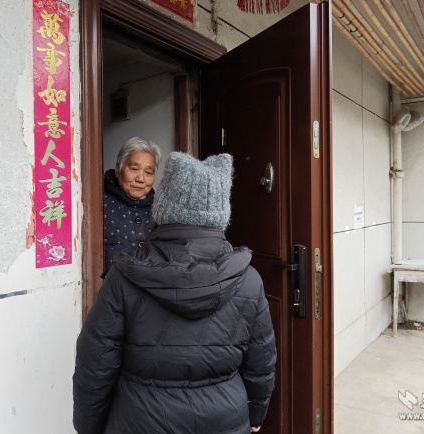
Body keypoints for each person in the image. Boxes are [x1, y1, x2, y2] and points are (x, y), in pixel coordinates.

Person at [73, 152, 277, 434]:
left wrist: (89, 426)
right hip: (224, 420)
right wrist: (256, 414)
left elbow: (96, 362)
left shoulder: (125, 275)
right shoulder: (249, 279)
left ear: (163, 207)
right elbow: (261, 361)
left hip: (140, 422)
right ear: (221, 213)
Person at [103, 137, 162, 269]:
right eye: (134, 169)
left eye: (148, 172)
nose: (141, 179)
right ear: (118, 170)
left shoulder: (161, 209)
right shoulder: (97, 201)